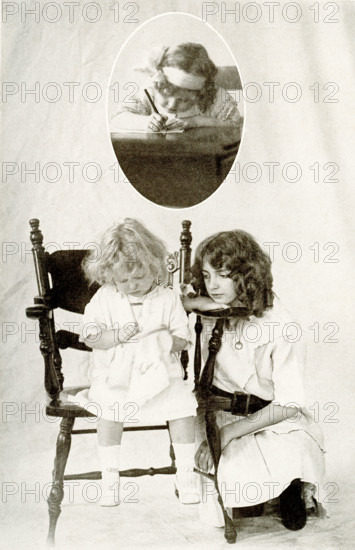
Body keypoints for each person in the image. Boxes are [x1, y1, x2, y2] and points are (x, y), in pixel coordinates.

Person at [182, 229, 326, 530]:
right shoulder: (212, 309)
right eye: (207, 276)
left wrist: (231, 433)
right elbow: (169, 305)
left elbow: (289, 403)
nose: (214, 285)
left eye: (222, 274)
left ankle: (289, 489)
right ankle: (260, 493)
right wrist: (193, 303)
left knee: (290, 456)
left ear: (246, 275)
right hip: (221, 412)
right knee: (217, 511)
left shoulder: (282, 324)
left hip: (272, 418)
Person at [79, 219, 198, 506]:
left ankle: (186, 473)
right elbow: (90, 337)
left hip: (162, 378)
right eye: (124, 280)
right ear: (109, 277)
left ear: (153, 265)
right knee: (109, 410)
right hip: (116, 379)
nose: (133, 285)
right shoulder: (105, 299)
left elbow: (183, 337)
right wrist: (116, 336)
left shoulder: (167, 298)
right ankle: (110, 477)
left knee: (183, 407)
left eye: (140, 276)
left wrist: (162, 341)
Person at [111, 43, 241, 132]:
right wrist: (145, 122)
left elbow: (235, 124)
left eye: (184, 100)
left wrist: (197, 121)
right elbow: (118, 117)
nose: (172, 105)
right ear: (158, 85)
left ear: (201, 93)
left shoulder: (213, 96)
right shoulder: (150, 90)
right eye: (166, 95)